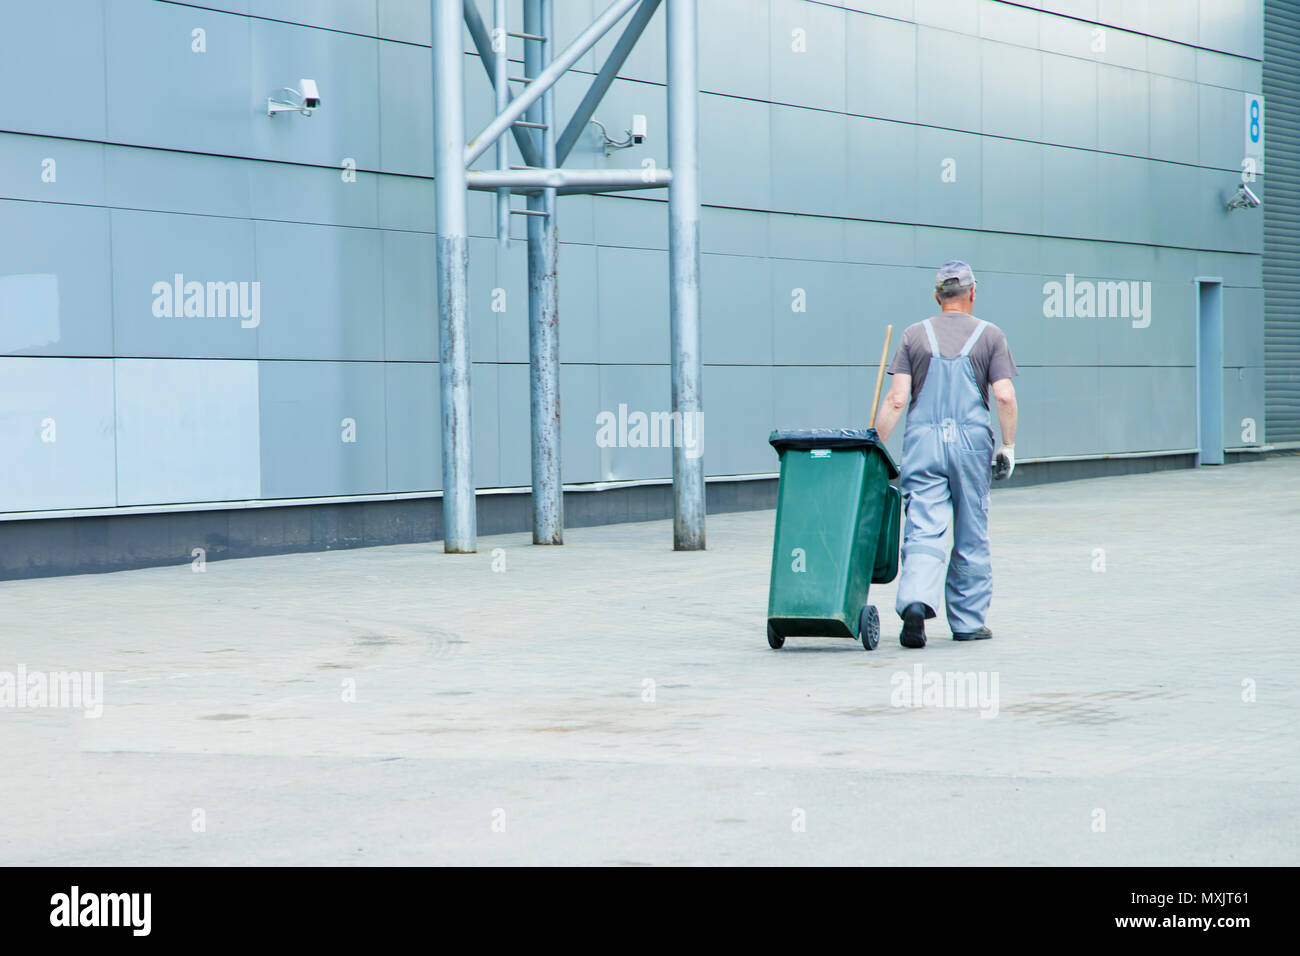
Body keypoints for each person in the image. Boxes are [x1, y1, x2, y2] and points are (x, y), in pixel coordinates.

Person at [873, 261, 1019, 648]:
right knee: (971, 530)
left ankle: (917, 603)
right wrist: (1007, 445)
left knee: (924, 525)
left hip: (923, 443)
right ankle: (968, 622)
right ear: (973, 292)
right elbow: (1004, 395)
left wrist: (872, 445)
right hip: (971, 444)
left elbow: (897, 399)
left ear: (937, 296)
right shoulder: (991, 336)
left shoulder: (913, 336)